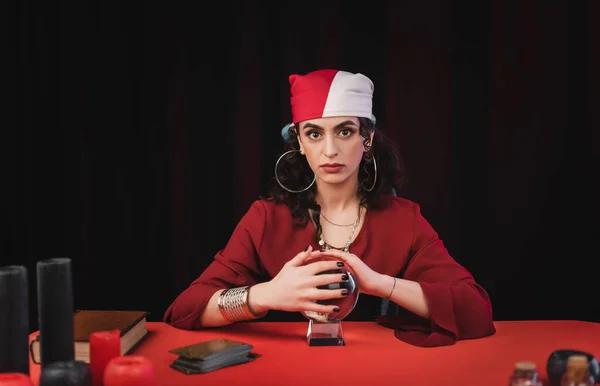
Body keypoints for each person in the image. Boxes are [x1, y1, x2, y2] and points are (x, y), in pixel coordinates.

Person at [163, 69, 496, 347]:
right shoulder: (266, 219)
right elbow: (184, 310)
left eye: (345, 131)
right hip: (278, 379)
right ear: (300, 145)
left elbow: (475, 310)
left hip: (380, 377)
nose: (331, 150)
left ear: (367, 140)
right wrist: (263, 296)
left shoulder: (403, 220)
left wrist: (378, 283)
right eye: (315, 134)